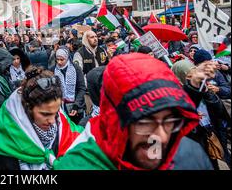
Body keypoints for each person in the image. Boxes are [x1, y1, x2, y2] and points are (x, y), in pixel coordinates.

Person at [54, 53, 212, 170]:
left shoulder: (190, 154)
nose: (162, 137)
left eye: (170, 121)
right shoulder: (77, 165)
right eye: (145, 122)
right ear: (115, 119)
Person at [0, 67, 82, 170]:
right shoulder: (1, 132)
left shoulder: (63, 124)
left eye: (56, 113)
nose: (53, 121)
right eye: (45, 114)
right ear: (27, 107)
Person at [171, 59, 229, 169]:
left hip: (214, 130)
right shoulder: (176, 95)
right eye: (189, 74)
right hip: (196, 138)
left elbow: (219, 110)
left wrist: (207, 93)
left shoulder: (203, 87)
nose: (194, 77)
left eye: (194, 71)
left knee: (222, 157)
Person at [53, 48, 86, 123]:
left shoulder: (76, 68)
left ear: (67, 58)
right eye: (57, 59)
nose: (59, 62)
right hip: (62, 106)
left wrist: (76, 105)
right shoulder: (53, 70)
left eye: (62, 59)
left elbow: (82, 88)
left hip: (77, 105)